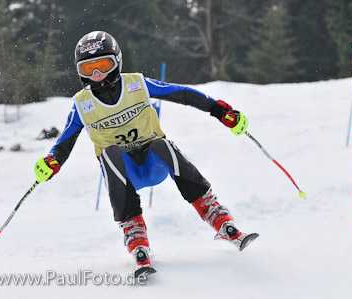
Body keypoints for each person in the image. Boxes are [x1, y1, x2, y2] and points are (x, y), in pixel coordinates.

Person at [34, 31, 258, 278]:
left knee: (162, 145)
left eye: (103, 65)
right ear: (79, 71)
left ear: (117, 62)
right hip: (124, 173)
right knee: (109, 153)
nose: (97, 75)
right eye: (89, 69)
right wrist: (51, 162)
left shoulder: (136, 84)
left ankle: (216, 216)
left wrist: (218, 109)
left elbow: (182, 93)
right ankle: (134, 230)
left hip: (154, 162)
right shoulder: (82, 104)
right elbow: (64, 142)